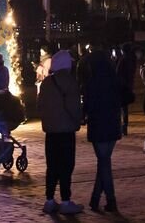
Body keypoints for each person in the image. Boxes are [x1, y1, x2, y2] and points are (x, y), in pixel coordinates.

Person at [38, 49, 84, 215]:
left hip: (50, 132)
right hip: (66, 131)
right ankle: (65, 200)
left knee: (52, 166)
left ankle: (49, 200)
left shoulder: (46, 83)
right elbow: (74, 107)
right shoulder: (70, 82)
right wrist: (78, 120)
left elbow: (40, 107)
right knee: (66, 166)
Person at [82, 49, 126, 213]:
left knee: (103, 161)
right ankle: (95, 199)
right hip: (112, 123)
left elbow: (87, 105)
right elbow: (127, 95)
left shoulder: (92, 83)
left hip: (98, 124)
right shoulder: (114, 79)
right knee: (104, 161)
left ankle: (111, 199)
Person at [115, 44, 136, 137]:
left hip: (121, 87)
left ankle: (121, 127)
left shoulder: (122, 60)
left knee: (120, 108)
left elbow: (117, 73)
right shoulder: (132, 59)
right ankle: (124, 127)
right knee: (125, 108)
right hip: (128, 86)